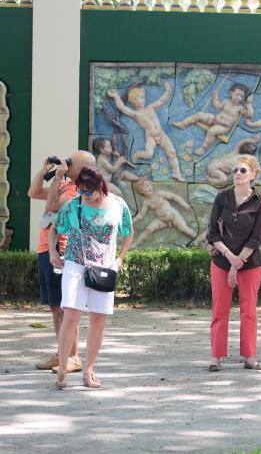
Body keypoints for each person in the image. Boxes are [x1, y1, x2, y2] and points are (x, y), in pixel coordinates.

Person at [51, 166, 134, 389]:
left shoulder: (118, 205)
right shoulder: (74, 205)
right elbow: (55, 228)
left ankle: (89, 371)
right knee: (71, 314)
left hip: (104, 268)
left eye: (88, 191)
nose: (84, 196)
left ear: (100, 186)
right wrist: (52, 252)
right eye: (81, 191)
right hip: (76, 265)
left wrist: (120, 258)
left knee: (98, 319)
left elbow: (128, 232)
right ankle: (63, 367)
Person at [28, 151, 95, 374]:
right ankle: (61, 354)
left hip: (61, 251)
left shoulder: (78, 191)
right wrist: (45, 170)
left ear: (82, 169)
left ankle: (73, 357)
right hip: (46, 249)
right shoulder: (65, 186)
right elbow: (33, 192)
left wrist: (58, 178)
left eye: (70, 162)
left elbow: (51, 206)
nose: (66, 164)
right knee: (56, 307)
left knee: (67, 308)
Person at [206, 155, 261, 372]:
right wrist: (229, 258)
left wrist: (237, 262)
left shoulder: (259, 202)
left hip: (250, 264)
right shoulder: (222, 198)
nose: (238, 174)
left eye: (243, 170)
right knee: (219, 310)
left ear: (253, 174)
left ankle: (250, 357)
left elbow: (257, 237)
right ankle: (216, 357)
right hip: (222, 262)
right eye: (235, 171)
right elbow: (212, 232)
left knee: (248, 311)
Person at [107, 81, 185, 181]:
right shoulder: (135, 114)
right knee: (149, 154)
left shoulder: (150, 107)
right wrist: (116, 96)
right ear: (133, 100)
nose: (143, 99)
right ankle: (138, 154)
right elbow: (122, 107)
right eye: (141, 97)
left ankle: (176, 173)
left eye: (144, 97)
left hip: (162, 135)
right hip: (151, 137)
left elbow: (162, 101)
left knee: (172, 152)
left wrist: (168, 91)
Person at [171, 82, 255, 156]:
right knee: (199, 114)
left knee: (211, 131)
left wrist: (249, 103)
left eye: (241, 96)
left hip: (224, 126)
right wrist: (215, 97)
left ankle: (203, 148)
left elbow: (249, 115)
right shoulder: (226, 102)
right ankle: (183, 124)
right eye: (237, 95)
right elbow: (217, 106)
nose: (238, 98)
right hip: (214, 119)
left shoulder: (240, 108)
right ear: (231, 93)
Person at [131, 178, 197, 247]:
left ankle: (197, 238)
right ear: (141, 191)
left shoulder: (160, 194)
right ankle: (136, 244)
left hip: (173, 216)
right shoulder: (147, 202)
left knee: (184, 229)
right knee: (148, 229)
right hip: (162, 220)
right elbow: (141, 215)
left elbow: (174, 197)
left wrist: (184, 204)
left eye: (149, 185)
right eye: (146, 186)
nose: (149, 187)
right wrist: (132, 221)